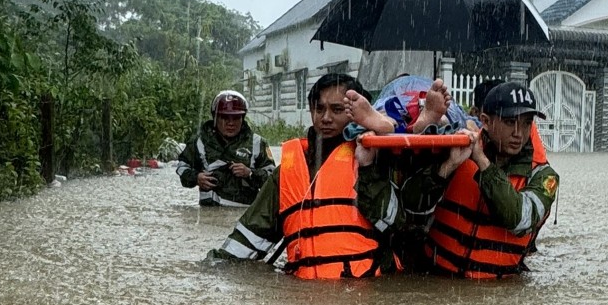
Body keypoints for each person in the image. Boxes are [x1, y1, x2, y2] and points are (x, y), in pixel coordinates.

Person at [208, 73, 402, 278]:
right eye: (319, 109)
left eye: (337, 110)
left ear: (357, 112)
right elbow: (250, 236)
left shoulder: (379, 156)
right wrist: (212, 268)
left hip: (368, 290)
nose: (325, 118)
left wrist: (367, 168)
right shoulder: (288, 171)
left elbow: (397, 229)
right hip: (303, 294)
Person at [406, 81, 559, 278]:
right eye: (510, 122)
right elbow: (412, 206)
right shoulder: (457, 149)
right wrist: (447, 168)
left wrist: (482, 162)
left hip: (500, 291)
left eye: (526, 123)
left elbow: (518, 219)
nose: (518, 133)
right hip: (436, 276)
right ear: (485, 121)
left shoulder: (544, 176)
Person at [176, 90, 274, 206]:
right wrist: (196, 178)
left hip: (245, 214)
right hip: (209, 213)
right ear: (215, 117)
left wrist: (250, 173)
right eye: (225, 117)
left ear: (243, 118)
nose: (231, 123)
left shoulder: (257, 143)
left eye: (236, 118)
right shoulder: (199, 141)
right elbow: (182, 167)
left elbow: (273, 179)